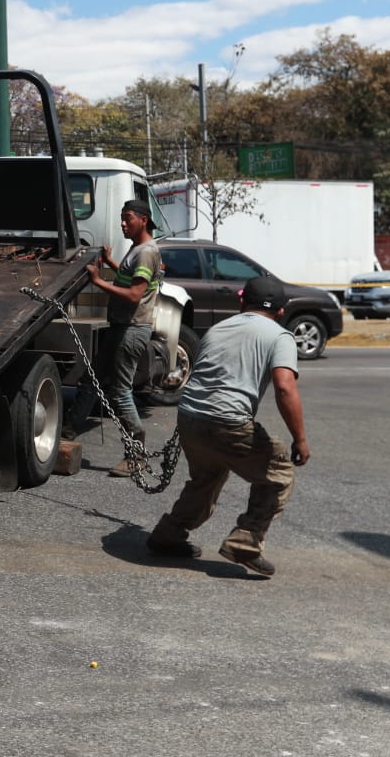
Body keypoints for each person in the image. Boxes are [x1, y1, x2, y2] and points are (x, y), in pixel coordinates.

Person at [146, 274, 311, 577]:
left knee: (206, 478)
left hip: (190, 417)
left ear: (241, 301)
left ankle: (168, 534)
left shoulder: (217, 329)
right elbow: (285, 387)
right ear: (281, 309)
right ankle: (245, 543)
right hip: (228, 422)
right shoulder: (279, 335)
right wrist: (299, 439)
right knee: (279, 473)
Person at [65, 198, 162, 477]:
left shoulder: (146, 252)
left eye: (128, 218)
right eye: (122, 217)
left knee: (120, 391)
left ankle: (136, 455)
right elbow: (131, 280)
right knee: (91, 379)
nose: (123, 223)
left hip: (132, 330)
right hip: (121, 326)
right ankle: (69, 430)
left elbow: (134, 295)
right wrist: (110, 262)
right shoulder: (137, 250)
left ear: (143, 220)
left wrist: (98, 281)